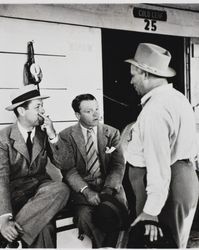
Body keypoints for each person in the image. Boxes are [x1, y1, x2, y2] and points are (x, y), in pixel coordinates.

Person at [124, 43, 199, 248]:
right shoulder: (177, 98)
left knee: (158, 244)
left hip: (165, 187)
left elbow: (158, 163)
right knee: (175, 243)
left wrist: (151, 210)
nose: (131, 81)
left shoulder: (155, 110)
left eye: (134, 75)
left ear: (145, 73)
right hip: (181, 180)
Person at [51, 93, 127, 248]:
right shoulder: (66, 136)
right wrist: (86, 191)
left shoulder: (112, 133)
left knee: (120, 212)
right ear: (77, 115)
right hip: (81, 189)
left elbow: (117, 164)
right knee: (83, 217)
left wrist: (108, 189)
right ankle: (104, 247)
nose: (96, 114)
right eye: (89, 111)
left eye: (97, 109)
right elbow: (68, 170)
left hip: (109, 186)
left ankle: (117, 246)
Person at [0, 84, 70, 248]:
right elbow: (1, 179)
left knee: (61, 188)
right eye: (38, 106)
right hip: (15, 195)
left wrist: (53, 135)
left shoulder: (44, 132)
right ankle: (12, 232)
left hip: (41, 191)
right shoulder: (3, 138)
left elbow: (65, 163)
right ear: (22, 111)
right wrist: (4, 218)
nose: (43, 111)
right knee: (45, 228)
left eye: (42, 106)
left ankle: (6, 238)